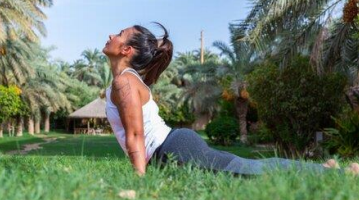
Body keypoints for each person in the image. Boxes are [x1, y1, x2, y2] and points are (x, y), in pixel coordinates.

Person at [102, 22, 359, 177]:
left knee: (249, 171)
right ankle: (324, 168)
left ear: (127, 50)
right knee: (244, 166)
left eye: (120, 33)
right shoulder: (127, 79)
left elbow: (136, 136)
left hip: (175, 151)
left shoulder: (125, 81)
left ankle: (329, 173)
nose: (112, 35)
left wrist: (139, 183)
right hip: (174, 147)